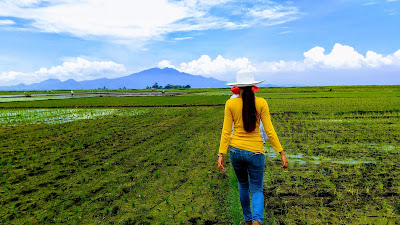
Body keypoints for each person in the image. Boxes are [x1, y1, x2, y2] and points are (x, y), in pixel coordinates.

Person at [218, 71, 288, 225]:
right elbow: (269, 130)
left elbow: (225, 131)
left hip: (235, 151)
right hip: (256, 152)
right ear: (253, 85)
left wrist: (221, 153)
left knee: (243, 185)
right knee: (256, 189)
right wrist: (281, 152)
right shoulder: (261, 103)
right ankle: (257, 221)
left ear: (238, 87)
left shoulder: (230, 103)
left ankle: (248, 221)